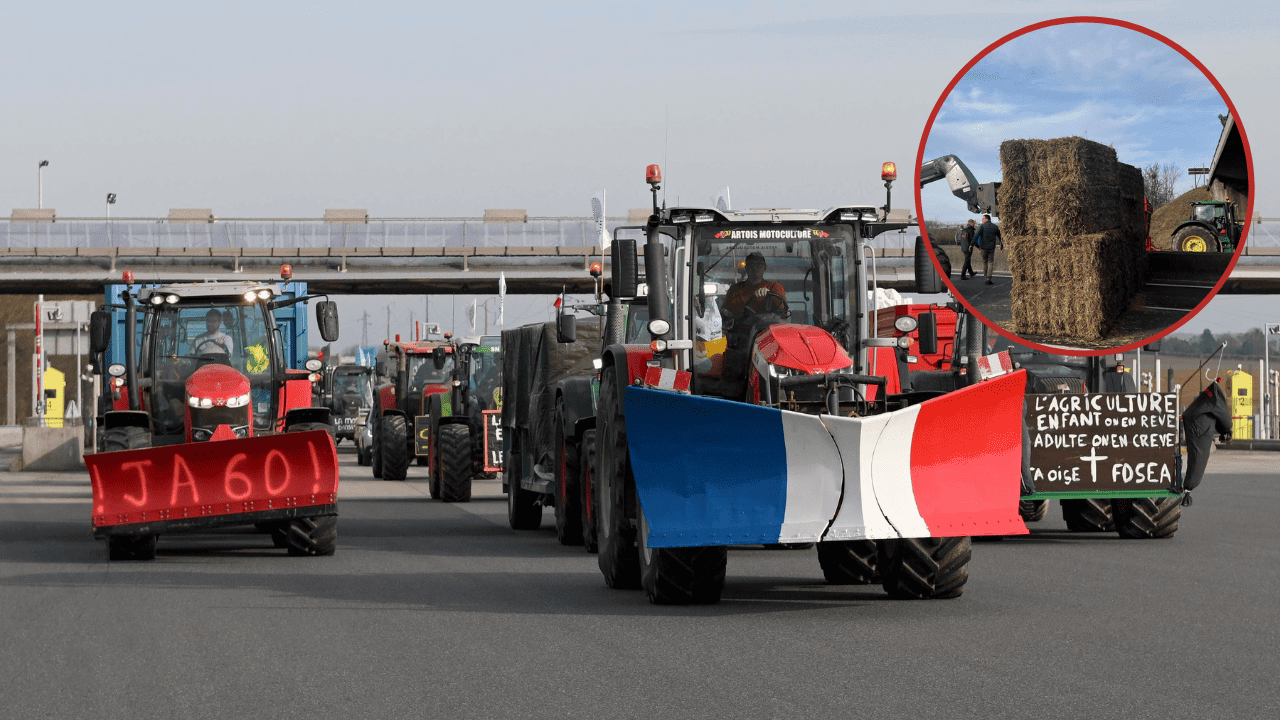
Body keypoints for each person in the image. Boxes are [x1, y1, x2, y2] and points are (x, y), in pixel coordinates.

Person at [723, 252, 788, 318]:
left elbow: (783, 310)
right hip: (741, 327)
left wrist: (769, 295)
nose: (755, 268)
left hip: (768, 326)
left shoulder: (774, 286)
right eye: (751, 265)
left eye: (759, 265)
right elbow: (725, 314)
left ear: (764, 267)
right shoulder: (735, 290)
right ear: (746, 268)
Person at [974, 214, 1003, 285]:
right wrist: (1001, 245)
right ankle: (989, 278)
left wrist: (974, 245)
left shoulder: (982, 226)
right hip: (991, 248)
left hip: (983, 248)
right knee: (990, 262)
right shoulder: (995, 226)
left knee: (985, 262)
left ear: (986, 219)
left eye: (983, 219)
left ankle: (985, 275)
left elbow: (976, 236)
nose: (982, 220)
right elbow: (1000, 237)